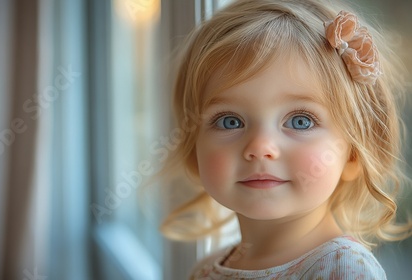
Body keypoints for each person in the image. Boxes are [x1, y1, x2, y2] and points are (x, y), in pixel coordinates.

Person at [159, 0, 412, 278]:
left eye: (300, 121)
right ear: (194, 150)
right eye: (229, 121)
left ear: (353, 153)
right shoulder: (205, 270)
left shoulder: (343, 270)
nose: (259, 147)